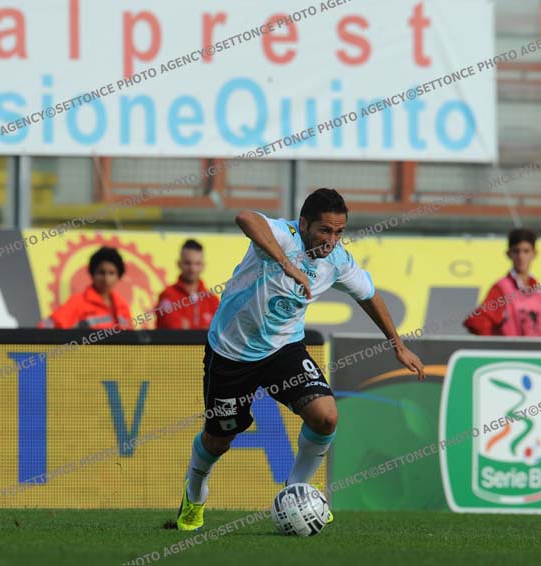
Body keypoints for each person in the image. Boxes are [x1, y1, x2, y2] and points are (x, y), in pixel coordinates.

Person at [175, 188, 425, 531]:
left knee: (326, 417)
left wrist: (398, 345)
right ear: (304, 223)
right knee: (217, 440)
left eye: (339, 232)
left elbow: (369, 296)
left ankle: (296, 492)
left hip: (284, 350)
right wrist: (286, 263)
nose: (332, 240)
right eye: (325, 230)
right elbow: (245, 217)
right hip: (232, 352)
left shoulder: (337, 261)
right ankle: (194, 496)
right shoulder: (284, 235)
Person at [463, 227, 541, 337]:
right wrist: (499, 342)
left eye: (526, 251)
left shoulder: (538, 291)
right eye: (516, 251)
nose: (521, 257)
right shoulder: (502, 288)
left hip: (536, 348)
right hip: (512, 348)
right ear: (508, 254)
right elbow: (476, 321)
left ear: (534, 254)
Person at [40, 246, 133, 330]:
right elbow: (45, 328)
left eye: (111, 273)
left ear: (119, 276)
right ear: (92, 274)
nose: (106, 279)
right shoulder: (78, 302)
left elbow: (130, 338)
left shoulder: (122, 306)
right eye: (101, 273)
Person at [156, 239, 220, 329]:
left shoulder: (212, 300)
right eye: (187, 263)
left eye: (197, 264)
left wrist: (188, 325)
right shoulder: (168, 296)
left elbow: (219, 331)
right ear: (179, 264)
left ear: (203, 266)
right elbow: (173, 329)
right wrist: (204, 329)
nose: (192, 269)